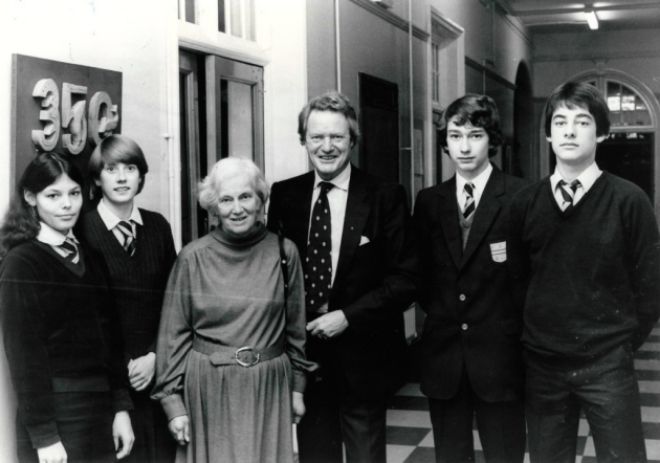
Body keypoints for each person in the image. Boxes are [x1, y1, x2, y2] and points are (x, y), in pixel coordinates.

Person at [509, 81, 660, 463]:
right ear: (548, 134)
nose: (570, 131)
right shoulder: (525, 203)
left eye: (582, 122)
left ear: (602, 133)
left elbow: (651, 286)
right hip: (544, 365)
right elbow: (515, 283)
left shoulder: (629, 200)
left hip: (607, 363)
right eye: (560, 122)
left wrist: (619, 341)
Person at [267, 91, 418, 463]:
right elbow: (273, 275)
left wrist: (347, 316)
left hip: (365, 358)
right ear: (303, 140)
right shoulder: (284, 195)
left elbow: (406, 279)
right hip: (306, 360)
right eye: (317, 137)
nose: (327, 146)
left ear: (352, 139)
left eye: (337, 136)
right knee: (316, 456)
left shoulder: (386, 196)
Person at [151, 157, 312, 463]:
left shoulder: (284, 252)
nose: (237, 209)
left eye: (245, 196)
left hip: (268, 387)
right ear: (214, 207)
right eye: (226, 199)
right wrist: (173, 405)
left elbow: (296, 329)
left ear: (260, 199)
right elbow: (173, 335)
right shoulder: (192, 258)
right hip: (209, 389)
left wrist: (298, 388)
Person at [413, 94, 527, 463]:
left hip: (501, 360)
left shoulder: (521, 196)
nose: (464, 146)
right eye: (455, 135)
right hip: (444, 359)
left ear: (491, 139)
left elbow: (527, 281)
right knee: (450, 455)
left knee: (505, 453)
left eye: (475, 135)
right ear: (445, 141)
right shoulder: (429, 201)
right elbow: (424, 278)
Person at [0, 152, 135, 463]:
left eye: (74, 193)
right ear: (31, 197)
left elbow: (112, 341)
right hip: (57, 414)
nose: (67, 205)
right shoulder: (21, 263)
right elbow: (24, 355)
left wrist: (121, 409)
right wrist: (45, 436)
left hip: (101, 411)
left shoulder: (93, 257)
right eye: (53, 195)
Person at [79, 135, 177, 463]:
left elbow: (174, 303)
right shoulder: (82, 230)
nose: (121, 178)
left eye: (130, 168)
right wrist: (123, 373)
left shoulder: (158, 227)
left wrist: (155, 356)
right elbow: (86, 320)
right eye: (111, 169)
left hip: (156, 376)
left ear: (140, 175)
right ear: (96, 178)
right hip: (107, 385)